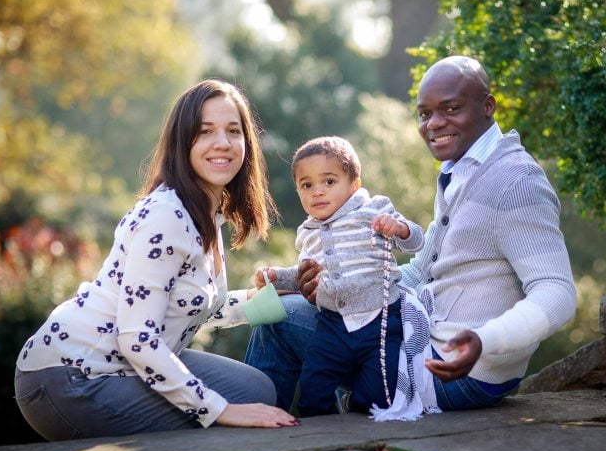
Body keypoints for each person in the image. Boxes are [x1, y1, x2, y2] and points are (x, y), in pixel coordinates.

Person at [245, 55, 577, 412]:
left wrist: (485, 339)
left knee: (278, 320)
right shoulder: (463, 168)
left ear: (488, 106)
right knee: (290, 305)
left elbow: (557, 291)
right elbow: (421, 269)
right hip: (419, 334)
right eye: (424, 114)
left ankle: (248, 440)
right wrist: (331, 282)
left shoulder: (516, 182)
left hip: (449, 368)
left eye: (450, 108)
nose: (434, 124)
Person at [14, 79, 299, 441]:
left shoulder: (204, 214)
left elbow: (194, 305)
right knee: (225, 416)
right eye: (205, 131)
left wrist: (275, 298)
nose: (223, 143)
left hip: (124, 363)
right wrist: (219, 410)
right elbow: (137, 338)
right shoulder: (166, 215)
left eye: (233, 131)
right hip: (71, 377)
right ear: (183, 143)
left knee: (255, 390)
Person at [256, 136, 438, 420]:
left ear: (354, 184)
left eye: (329, 182)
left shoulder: (373, 210)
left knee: (379, 396)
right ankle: (317, 434)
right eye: (307, 185)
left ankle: (357, 412)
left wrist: (400, 228)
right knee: (314, 385)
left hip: (379, 321)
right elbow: (307, 278)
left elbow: (416, 242)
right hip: (332, 324)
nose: (317, 192)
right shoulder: (309, 232)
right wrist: (276, 277)